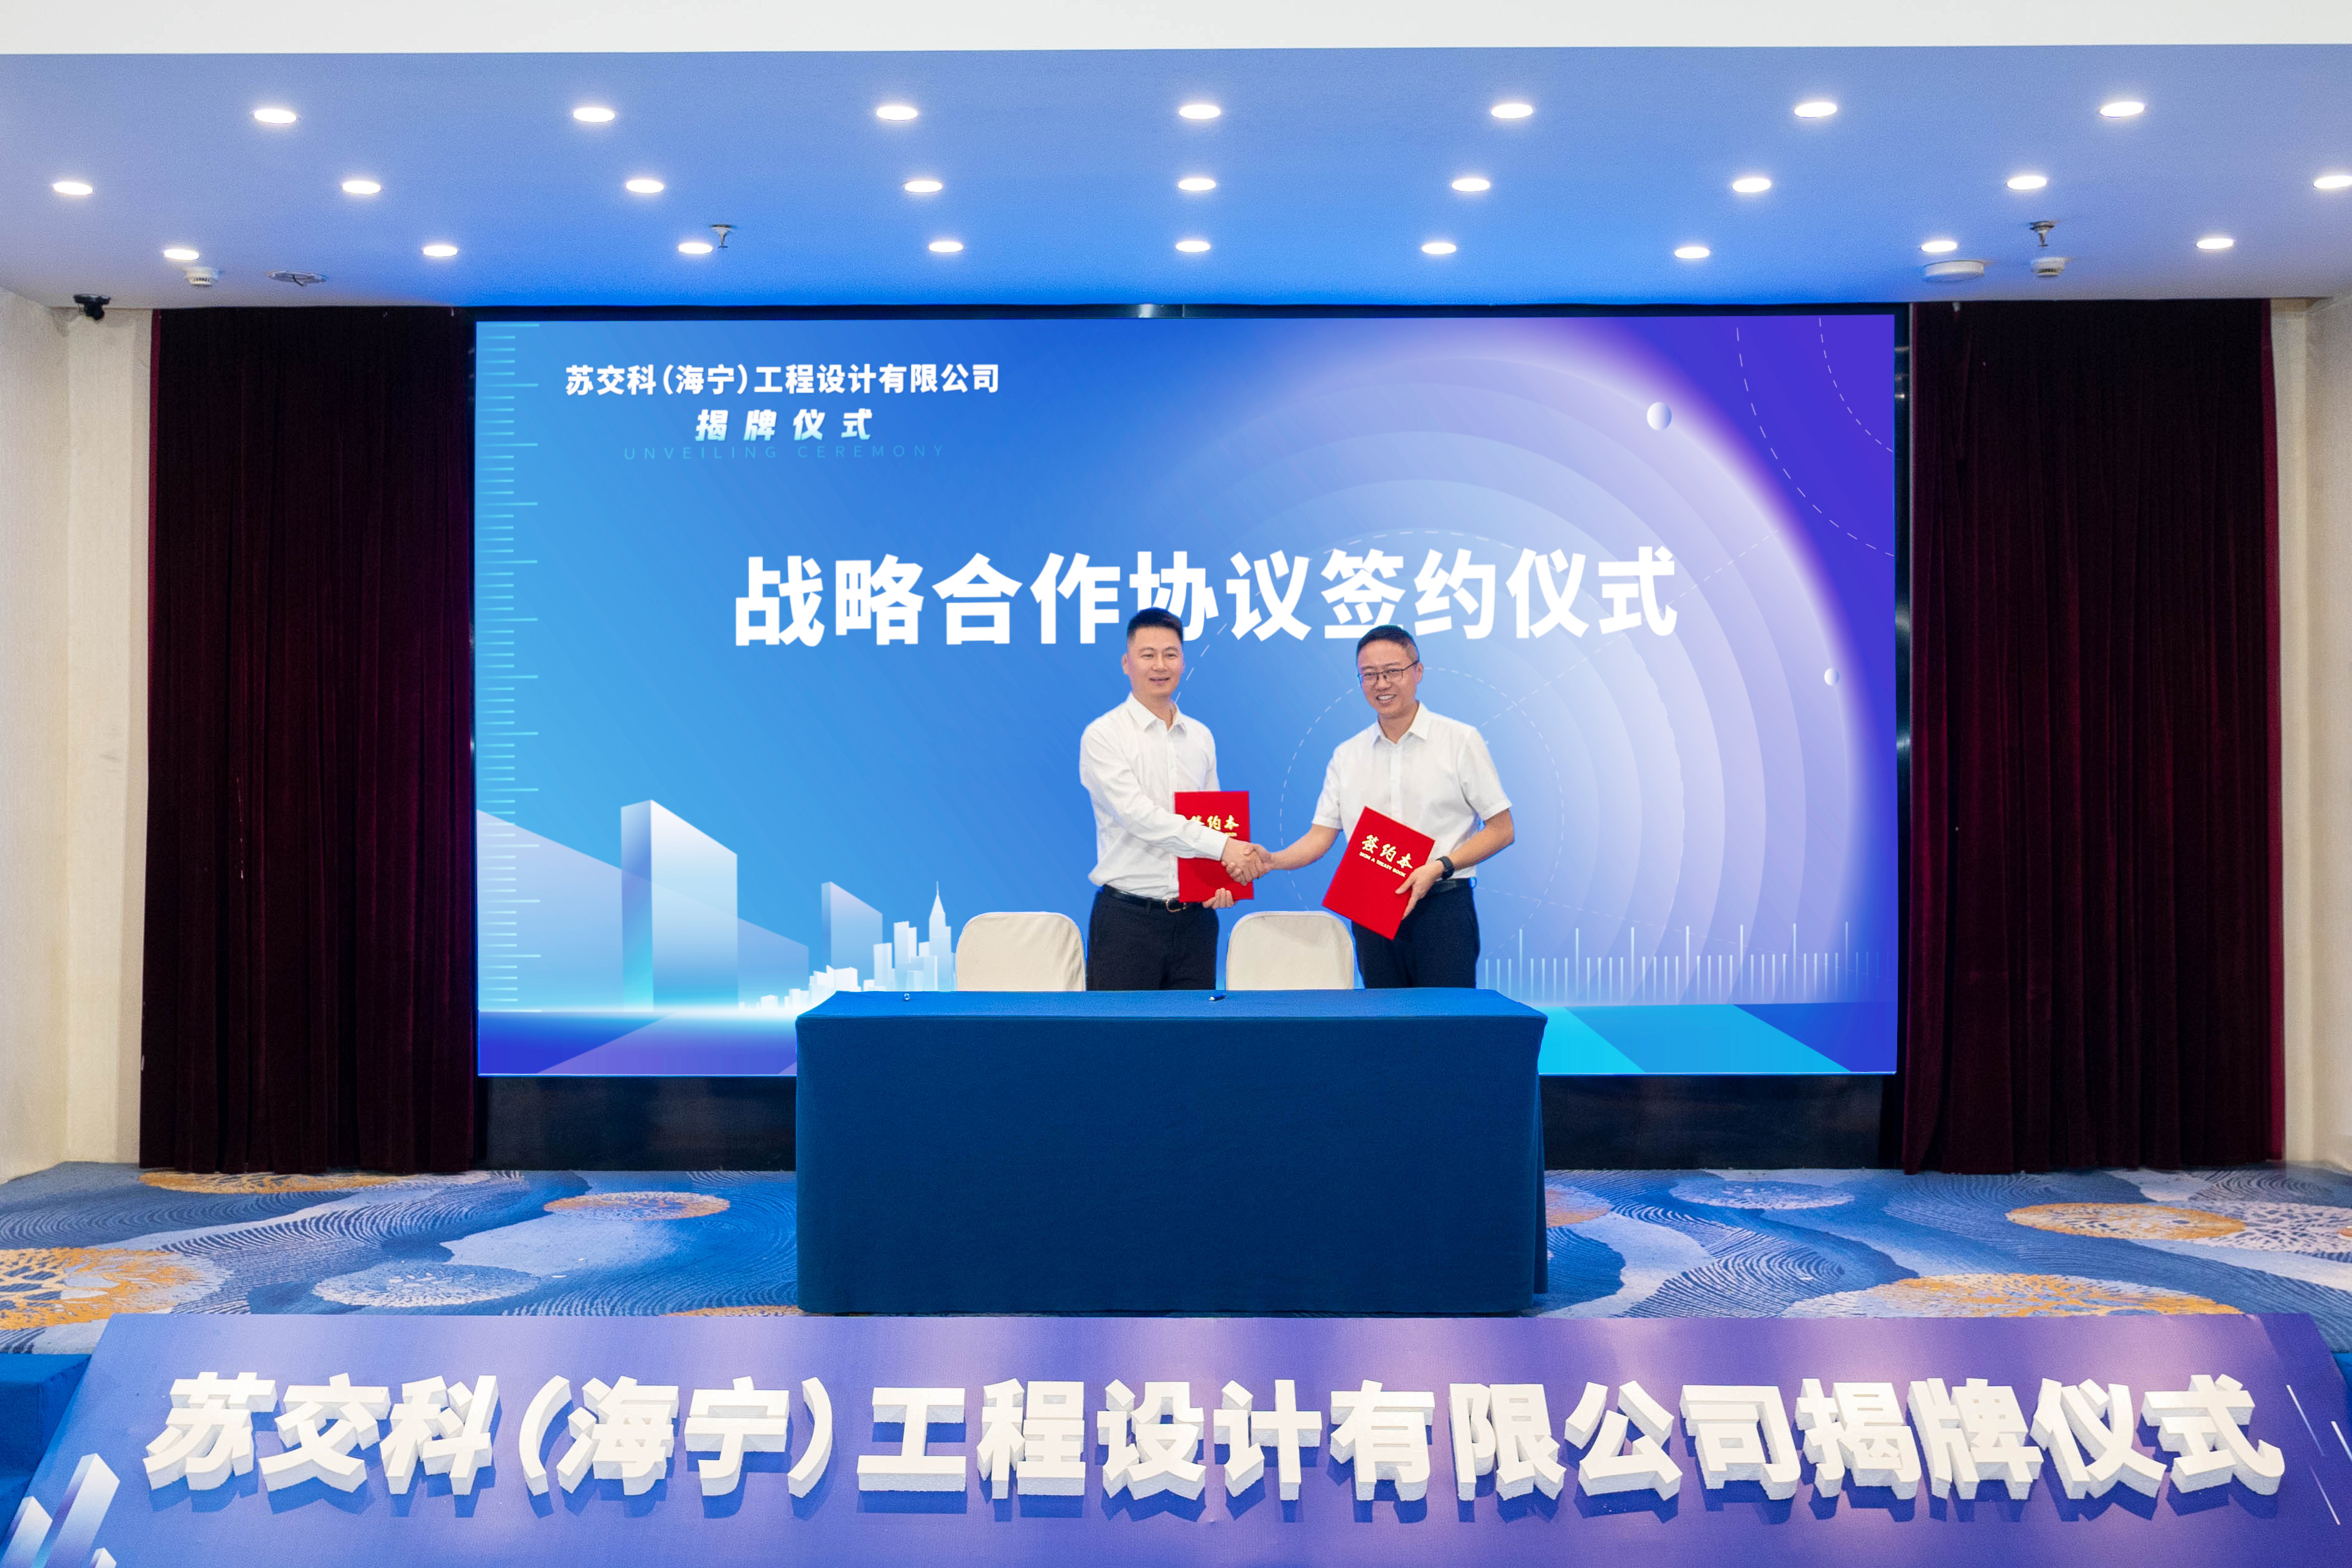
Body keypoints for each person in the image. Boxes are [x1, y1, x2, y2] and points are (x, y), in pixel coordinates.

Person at [1261, 624, 1513, 987]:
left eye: (1393, 671)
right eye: (1370, 675)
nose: (1382, 684)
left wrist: (1439, 867)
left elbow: (1502, 830)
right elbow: (1320, 836)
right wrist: (1272, 860)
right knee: (1384, 1017)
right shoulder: (1347, 755)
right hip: (1372, 910)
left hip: (1442, 909)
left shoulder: (1459, 740)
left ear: (1418, 671)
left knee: (1446, 1019)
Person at [1078, 607, 1269, 989]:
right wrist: (1225, 848)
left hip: (1195, 922)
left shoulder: (1200, 736)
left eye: (1170, 654)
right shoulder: (1103, 735)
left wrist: (1222, 881)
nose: (1160, 665)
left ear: (1183, 662)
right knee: (1120, 1029)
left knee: (1195, 1029)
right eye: (1147, 655)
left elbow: (1214, 819)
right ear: (1127, 663)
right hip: (1127, 922)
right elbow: (1138, 816)